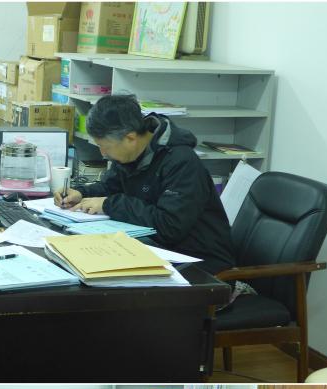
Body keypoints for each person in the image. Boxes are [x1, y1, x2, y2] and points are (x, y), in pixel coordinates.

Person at [53, 94, 235, 276]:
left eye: (105, 146)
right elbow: (111, 187)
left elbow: (169, 227)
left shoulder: (182, 162)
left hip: (199, 263)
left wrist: (109, 204)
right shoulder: (129, 154)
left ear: (130, 138)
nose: (103, 153)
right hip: (156, 249)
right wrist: (81, 193)